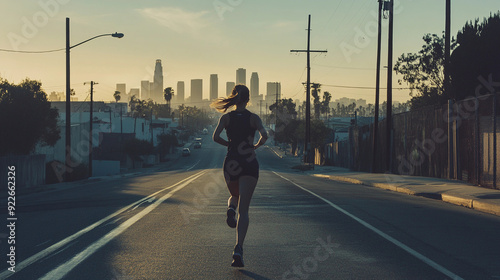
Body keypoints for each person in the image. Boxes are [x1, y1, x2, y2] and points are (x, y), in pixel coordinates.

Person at [211, 84, 268, 267]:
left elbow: (215, 137)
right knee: (244, 209)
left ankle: (230, 209)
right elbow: (265, 135)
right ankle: (238, 249)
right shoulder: (254, 118)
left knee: (234, 196)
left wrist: (228, 144)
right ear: (248, 99)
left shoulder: (226, 118)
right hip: (249, 163)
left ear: (234, 98)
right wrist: (256, 146)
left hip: (231, 163)